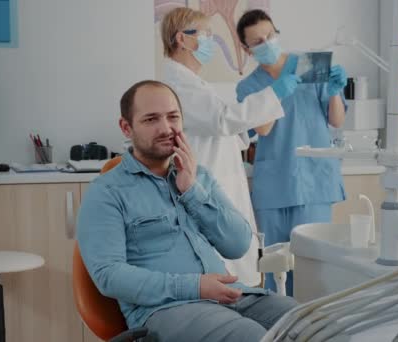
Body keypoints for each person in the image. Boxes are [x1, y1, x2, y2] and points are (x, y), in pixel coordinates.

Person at [76, 80, 297, 341]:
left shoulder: (197, 176)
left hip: (234, 296)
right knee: (253, 337)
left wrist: (191, 191)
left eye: (173, 117)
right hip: (168, 309)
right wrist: (195, 287)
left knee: (316, 324)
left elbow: (237, 244)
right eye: (151, 119)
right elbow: (109, 276)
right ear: (126, 127)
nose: (166, 128)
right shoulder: (107, 191)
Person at [160, 7, 301, 287]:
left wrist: (243, 126)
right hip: (205, 187)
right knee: (223, 275)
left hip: (215, 181)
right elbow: (223, 119)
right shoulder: (179, 85)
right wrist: (275, 93)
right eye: (206, 35)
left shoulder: (193, 83)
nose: (211, 42)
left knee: (234, 271)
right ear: (182, 39)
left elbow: (223, 127)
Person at [236, 9, 348, 296]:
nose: (267, 42)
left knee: (315, 267)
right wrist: (278, 92)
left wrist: (335, 90)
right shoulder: (247, 87)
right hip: (275, 185)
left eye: (270, 35)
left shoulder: (309, 66)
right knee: (276, 268)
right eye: (258, 41)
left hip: (314, 181)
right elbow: (261, 129)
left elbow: (336, 120)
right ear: (247, 50)